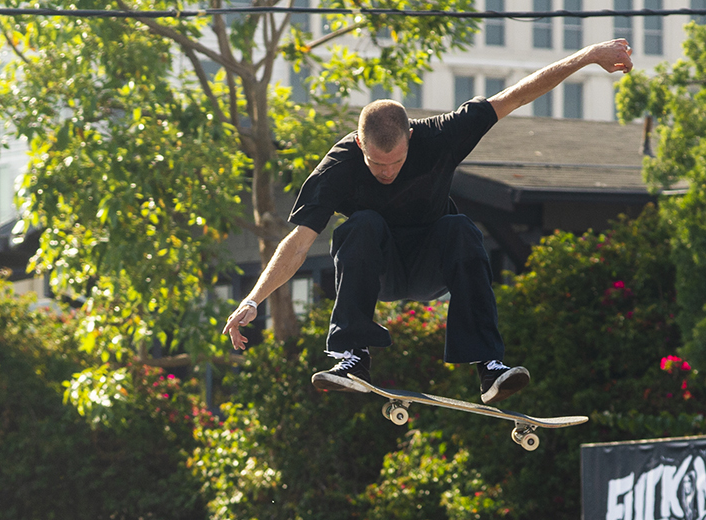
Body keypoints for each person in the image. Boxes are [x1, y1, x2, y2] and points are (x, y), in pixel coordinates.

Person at [223, 40, 633, 403]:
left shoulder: (440, 135)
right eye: (376, 163)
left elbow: (516, 96)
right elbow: (297, 241)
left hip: (432, 265)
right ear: (359, 142)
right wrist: (251, 299)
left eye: (396, 161)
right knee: (360, 225)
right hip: (378, 272)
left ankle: (488, 366)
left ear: (410, 138)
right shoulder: (338, 166)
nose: (386, 172)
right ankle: (352, 358)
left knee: (461, 228)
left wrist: (588, 56)